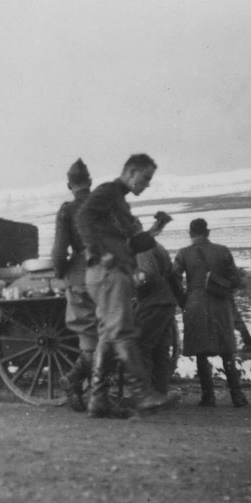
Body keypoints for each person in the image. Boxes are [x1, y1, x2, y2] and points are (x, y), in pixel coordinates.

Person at [75, 153, 179, 418]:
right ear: (131, 172)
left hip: (109, 273)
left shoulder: (119, 202)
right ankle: (141, 394)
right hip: (108, 272)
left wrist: (155, 230)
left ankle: (97, 399)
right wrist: (100, 252)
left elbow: (130, 244)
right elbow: (82, 216)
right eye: (145, 178)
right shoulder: (109, 191)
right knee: (122, 331)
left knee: (109, 336)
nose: (147, 185)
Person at [173, 218, 248, 408]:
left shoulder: (183, 253)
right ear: (208, 232)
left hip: (195, 305)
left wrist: (184, 300)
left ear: (190, 233)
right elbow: (235, 280)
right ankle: (237, 396)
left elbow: (174, 279)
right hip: (220, 304)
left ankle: (208, 397)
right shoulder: (222, 251)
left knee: (201, 353)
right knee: (227, 351)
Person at [51, 158, 98, 412]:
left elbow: (59, 252)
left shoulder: (67, 210)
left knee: (89, 339)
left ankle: (73, 382)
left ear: (69, 185)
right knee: (108, 337)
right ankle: (93, 392)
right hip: (110, 273)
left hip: (80, 276)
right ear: (90, 182)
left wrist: (61, 272)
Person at [133, 211, 184, 395]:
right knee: (161, 351)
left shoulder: (142, 248)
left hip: (152, 303)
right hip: (167, 302)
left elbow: (146, 274)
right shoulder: (158, 246)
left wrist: (131, 283)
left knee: (142, 347)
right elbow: (170, 272)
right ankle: (161, 392)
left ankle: (145, 395)